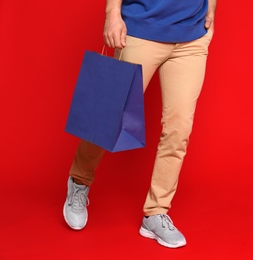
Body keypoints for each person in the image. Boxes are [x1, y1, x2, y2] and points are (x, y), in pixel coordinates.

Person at [63, 0, 217, 249]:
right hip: (140, 29)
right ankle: (79, 182)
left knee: (179, 130)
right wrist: (112, 13)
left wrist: (211, 8)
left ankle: (156, 212)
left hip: (192, 38)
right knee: (108, 118)